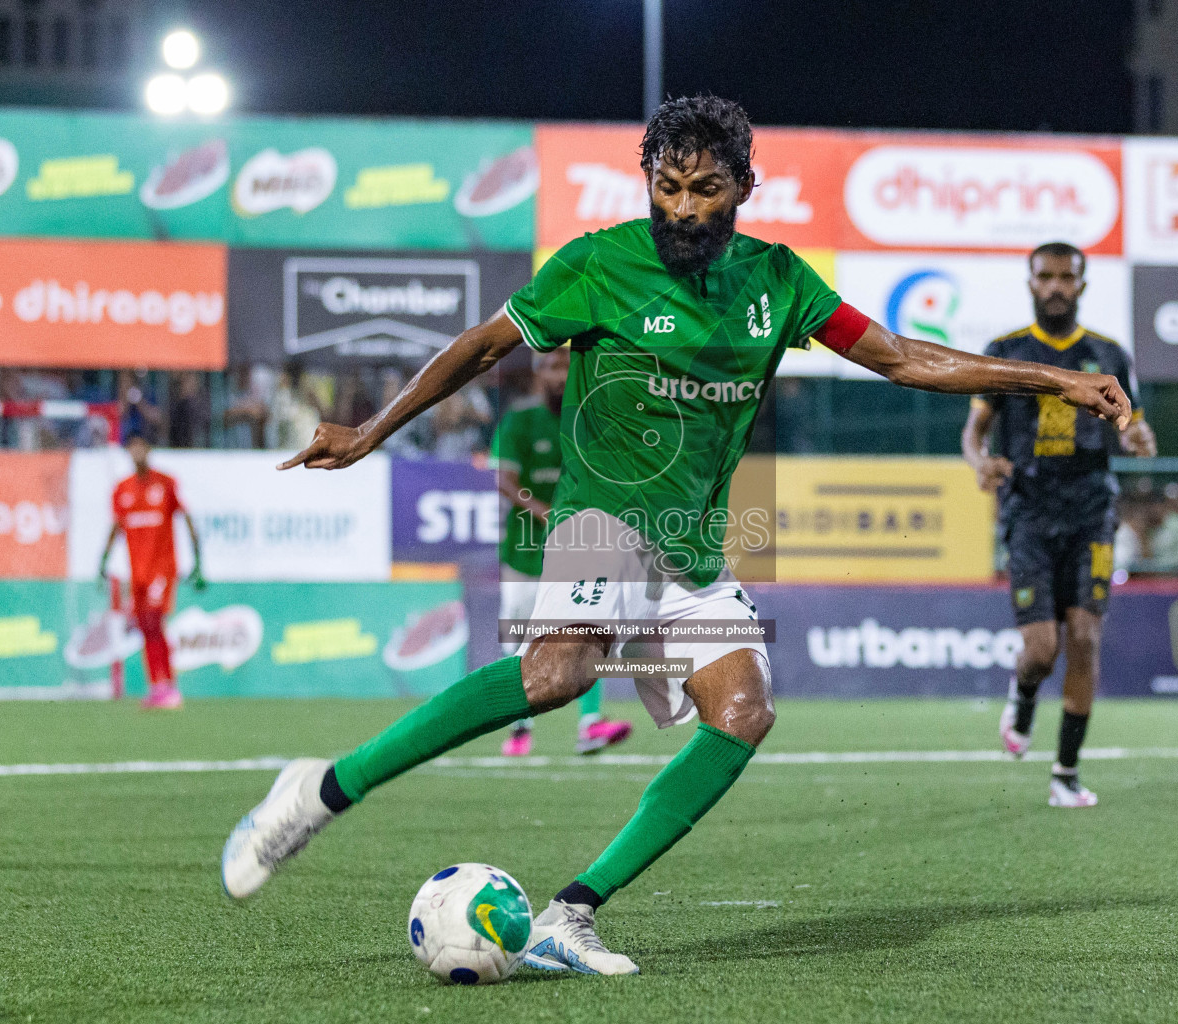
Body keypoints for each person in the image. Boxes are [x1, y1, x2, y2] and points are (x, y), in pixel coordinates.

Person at [220, 96, 1131, 974]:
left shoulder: (778, 282)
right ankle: (322, 790)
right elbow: (482, 344)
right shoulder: (599, 264)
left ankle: (568, 914)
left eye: (705, 190)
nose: (683, 208)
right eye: (667, 186)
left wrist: (1045, 380)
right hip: (600, 512)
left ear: (743, 189)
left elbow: (899, 358)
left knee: (743, 713)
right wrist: (372, 429)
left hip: (688, 539)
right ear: (648, 181)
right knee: (556, 675)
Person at [961, 241, 1157, 809]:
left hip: (1092, 511)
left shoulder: (1109, 354)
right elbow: (975, 433)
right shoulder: (1006, 353)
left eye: (1064, 278)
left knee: (1086, 639)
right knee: (1042, 650)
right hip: (1028, 513)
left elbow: (1132, 425)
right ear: (1030, 283)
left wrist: (1139, 436)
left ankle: (1066, 774)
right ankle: (1024, 696)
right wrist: (980, 463)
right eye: (1044, 277)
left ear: (1082, 284)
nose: (1054, 287)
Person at [494, 347, 634, 757]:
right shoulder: (520, 420)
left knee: (588, 631)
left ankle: (590, 725)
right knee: (518, 642)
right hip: (524, 553)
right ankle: (520, 729)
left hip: (577, 552)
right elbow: (505, 480)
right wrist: (542, 510)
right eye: (551, 367)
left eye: (565, 369)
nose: (558, 376)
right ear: (539, 373)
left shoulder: (591, 423)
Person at [98, 432, 205, 710]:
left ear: (148, 450)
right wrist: (104, 559)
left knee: (156, 621)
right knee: (146, 625)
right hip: (138, 571)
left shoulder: (165, 483)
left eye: (140, 448)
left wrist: (198, 561)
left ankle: (168, 686)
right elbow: (117, 526)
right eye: (131, 449)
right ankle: (157, 687)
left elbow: (188, 518)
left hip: (163, 569)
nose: (137, 454)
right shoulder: (122, 489)